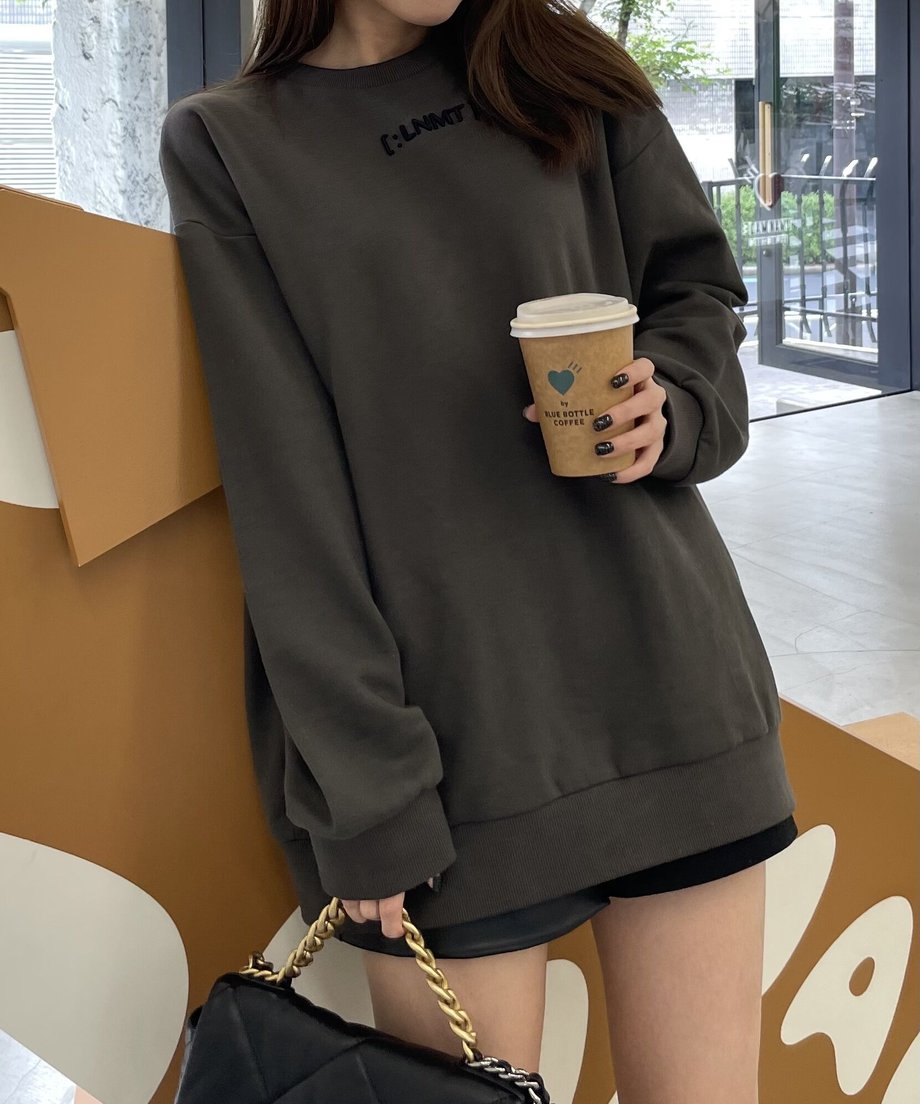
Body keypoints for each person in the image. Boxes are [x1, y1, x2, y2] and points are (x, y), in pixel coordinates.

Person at [158, 0, 798, 1097]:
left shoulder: (567, 75)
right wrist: (371, 795)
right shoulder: (229, 143)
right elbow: (286, 495)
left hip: (670, 690)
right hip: (449, 757)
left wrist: (673, 405)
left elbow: (695, 291)